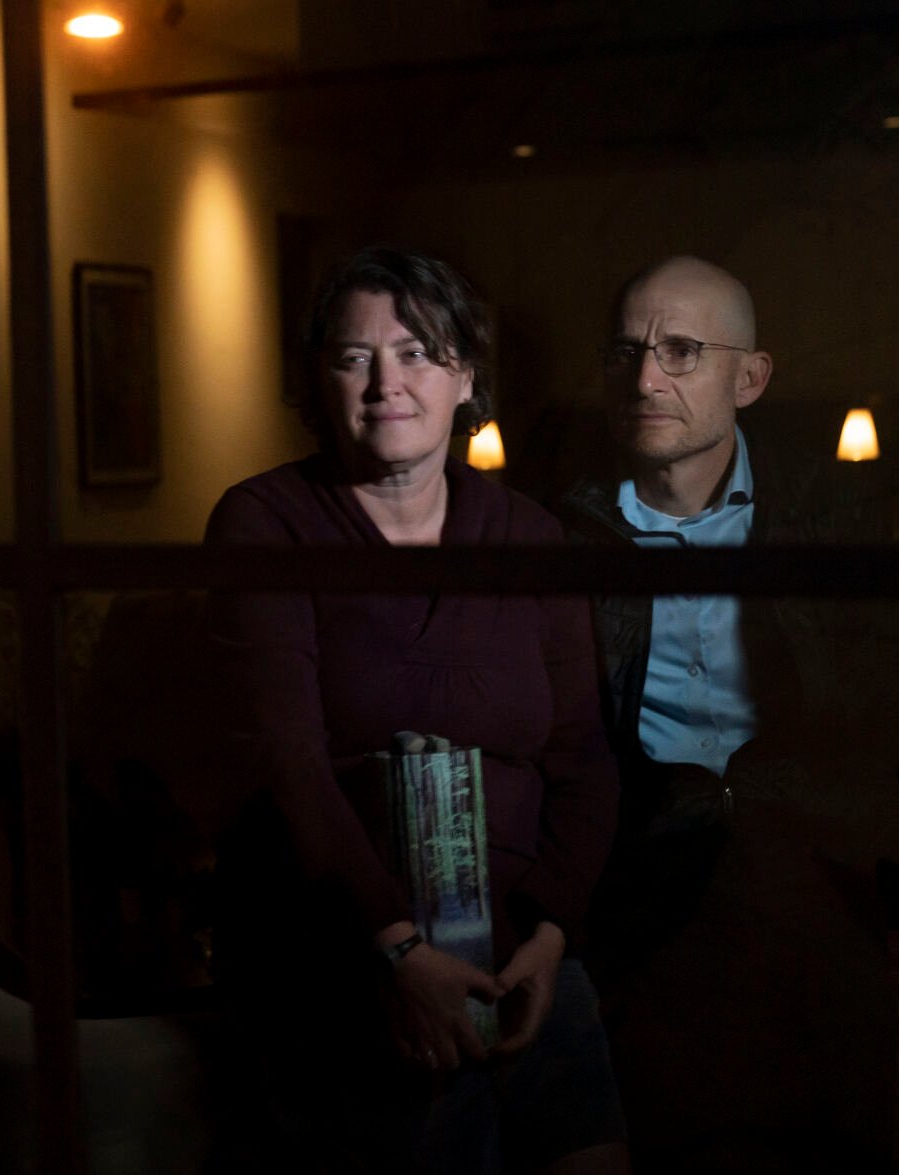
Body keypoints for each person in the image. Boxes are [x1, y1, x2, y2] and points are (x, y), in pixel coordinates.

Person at [203, 245, 628, 1174]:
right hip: (350, 965)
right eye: (355, 357)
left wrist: (552, 936)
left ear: (464, 374)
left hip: (529, 961)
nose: (385, 382)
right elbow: (288, 763)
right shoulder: (265, 522)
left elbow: (583, 756)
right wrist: (397, 952)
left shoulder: (529, 536)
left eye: (417, 352)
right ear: (320, 380)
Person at [556, 255, 899, 1168]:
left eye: (680, 351)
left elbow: (881, 718)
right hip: (643, 899)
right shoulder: (562, 530)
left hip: (809, 889)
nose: (643, 378)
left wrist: (897, 910)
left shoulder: (828, 515)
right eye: (625, 352)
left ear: (749, 377)